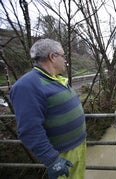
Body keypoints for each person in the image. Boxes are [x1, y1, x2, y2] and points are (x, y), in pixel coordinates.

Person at [10, 38, 87, 179]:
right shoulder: (27, 86)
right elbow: (29, 129)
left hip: (78, 146)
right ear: (52, 57)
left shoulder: (56, 78)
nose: (65, 60)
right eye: (63, 56)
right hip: (61, 154)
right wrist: (52, 160)